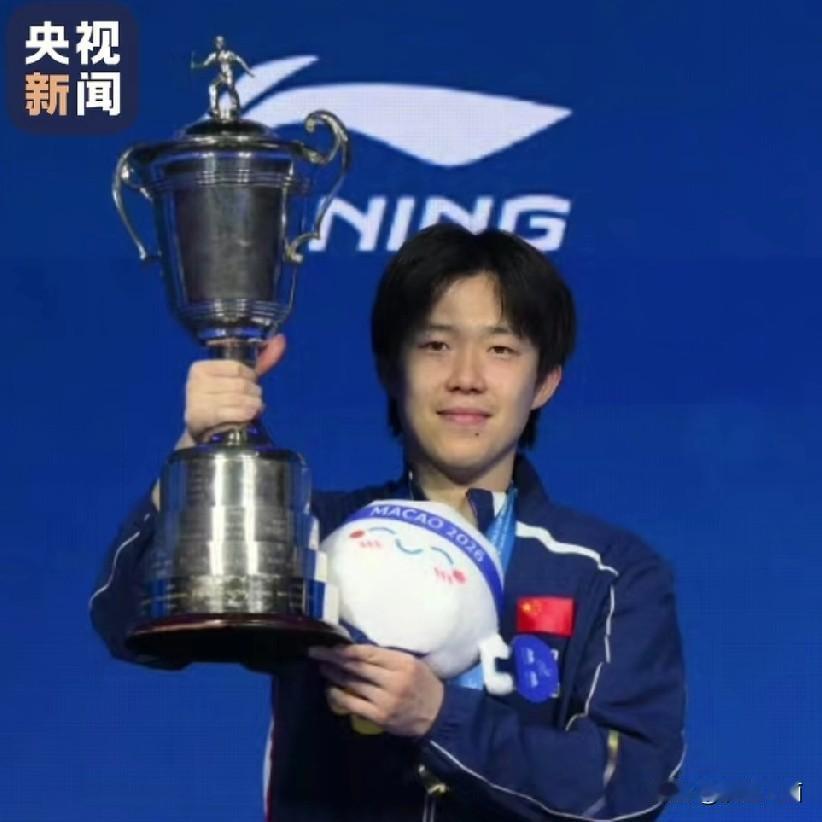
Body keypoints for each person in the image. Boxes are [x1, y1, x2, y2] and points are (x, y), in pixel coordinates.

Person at [90, 224, 686, 821]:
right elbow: (127, 620)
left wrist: (439, 716)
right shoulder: (312, 533)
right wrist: (199, 449)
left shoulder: (604, 572)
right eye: (436, 345)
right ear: (389, 369)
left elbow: (630, 786)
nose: (466, 376)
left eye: (501, 349)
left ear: (545, 381)